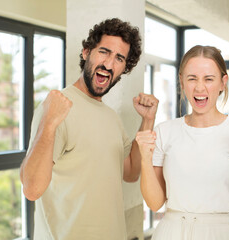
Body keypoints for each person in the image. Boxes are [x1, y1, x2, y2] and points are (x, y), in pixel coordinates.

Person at [20, 18, 158, 240]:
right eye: (104, 52)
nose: (109, 64)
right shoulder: (58, 108)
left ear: (124, 68)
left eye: (119, 58)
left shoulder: (110, 117)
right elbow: (32, 189)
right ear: (86, 52)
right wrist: (48, 123)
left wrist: (148, 120)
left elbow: (131, 172)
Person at [136, 45, 229, 240]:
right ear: (181, 82)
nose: (199, 87)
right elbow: (155, 204)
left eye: (209, 79)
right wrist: (145, 159)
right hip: (170, 233)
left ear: (223, 83)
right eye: (192, 78)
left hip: (221, 233)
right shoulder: (165, 131)